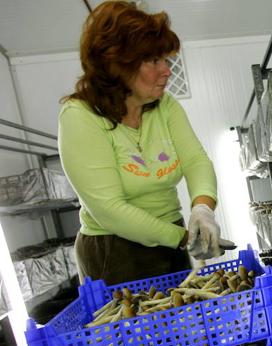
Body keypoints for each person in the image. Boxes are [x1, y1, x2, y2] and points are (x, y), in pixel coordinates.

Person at [58, 1, 232, 285]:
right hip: (115, 252)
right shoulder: (80, 116)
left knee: (180, 323)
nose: (167, 71)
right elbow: (110, 209)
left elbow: (196, 160)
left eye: (166, 59)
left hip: (171, 240)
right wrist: (183, 238)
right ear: (118, 64)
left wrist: (202, 209)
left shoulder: (164, 105)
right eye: (154, 61)